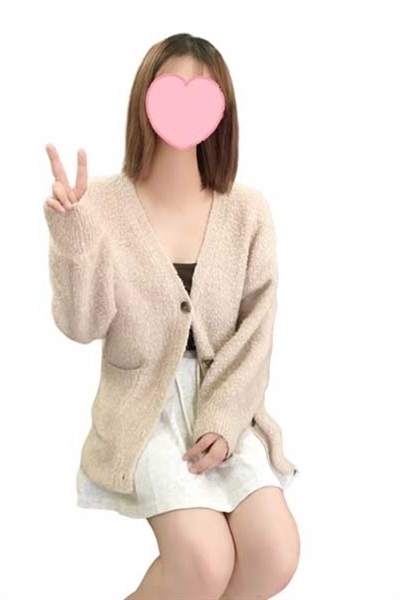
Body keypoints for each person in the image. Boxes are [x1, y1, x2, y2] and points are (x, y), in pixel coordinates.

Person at [43, 32, 300, 600]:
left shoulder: (248, 211)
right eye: (170, 88)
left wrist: (224, 420)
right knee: (204, 563)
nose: (185, 104)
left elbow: (256, 330)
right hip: (144, 410)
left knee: (275, 554)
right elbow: (82, 326)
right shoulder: (99, 204)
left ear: (222, 111)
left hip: (226, 402)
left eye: (202, 93)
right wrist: (74, 235)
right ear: (144, 98)